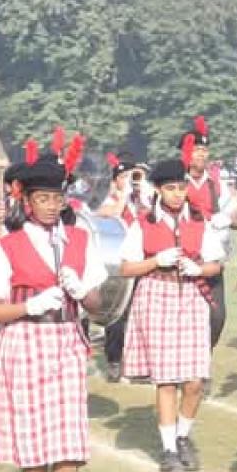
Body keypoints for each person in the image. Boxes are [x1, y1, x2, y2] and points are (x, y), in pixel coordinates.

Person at [0, 156, 106, 472]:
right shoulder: (9, 246)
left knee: (71, 448)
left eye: (56, 198)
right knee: (35, 451)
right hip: (25, 342)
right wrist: (28, 305)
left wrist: (82, 292)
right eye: (42, 198)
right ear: (27, 202)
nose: (50, 205)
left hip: (67, 341)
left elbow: (98, 305)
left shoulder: (80, 240)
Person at [119, 158, 223, 472]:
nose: (177, 194)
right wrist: (156, 260)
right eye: (170, 189)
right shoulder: (143, 223)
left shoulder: (199, 221)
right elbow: (127, 268)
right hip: (156, 294)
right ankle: (168, 449)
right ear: (158, 190)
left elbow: (216, 264)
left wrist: (198, 268)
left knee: (194, 380)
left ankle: (182, 436)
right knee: (166, 380)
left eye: (181, 188)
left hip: (191, 296)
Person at [178, 119, 237, 349]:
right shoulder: (176, 182)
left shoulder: (216, 183)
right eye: (196, 150)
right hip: (183, 255)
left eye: (204, 150)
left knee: (217, 316)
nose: (202, 155)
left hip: (210, 256)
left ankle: (205, 354)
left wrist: (226, 219)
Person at [94, 155, 149, 383]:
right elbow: (110, 214)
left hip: (144, 262)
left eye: (132, 176)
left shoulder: (143, 200)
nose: (130, 180)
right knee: (118, 315)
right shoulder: (109, 201)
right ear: (115, 180)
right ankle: (114, 360)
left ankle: (140, 363)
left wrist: (142, 191)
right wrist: (124, 195)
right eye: (125, 176)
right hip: (121, 267)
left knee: (142, 314)